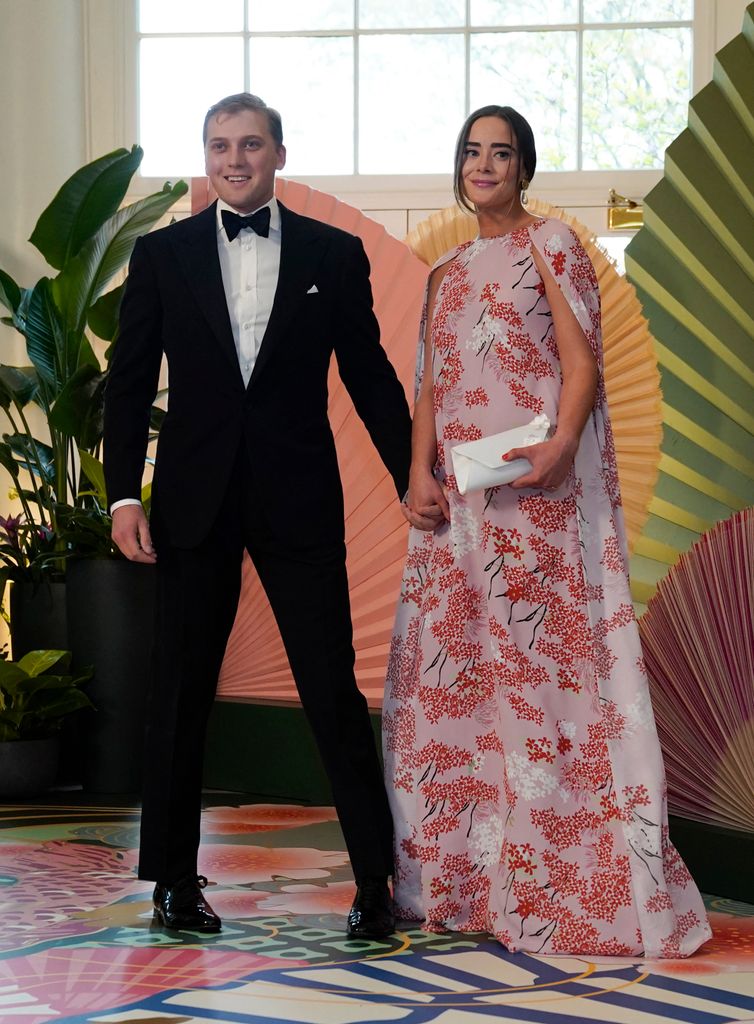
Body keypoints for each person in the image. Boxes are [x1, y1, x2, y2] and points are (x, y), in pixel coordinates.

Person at [383, 105, 712, 957]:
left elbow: (582, 365)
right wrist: (416, 473)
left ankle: (567, 878)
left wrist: (562, 445)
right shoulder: (444, 274)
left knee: (541, 672)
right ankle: (466, 876)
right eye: (471, 151)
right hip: (457, 509)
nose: (484, 165)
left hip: (533, 499)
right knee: (458, 675)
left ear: (525, 169)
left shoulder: (552, 245)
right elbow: (431, 387)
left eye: (502, 153)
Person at [104, 92, 411, 938]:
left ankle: (374, 883)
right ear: (206, 158)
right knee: (180, 694)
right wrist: (124, 493)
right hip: (192, 503)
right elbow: (128, 387)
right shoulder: (160, 256)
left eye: (249, 144)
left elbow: (372, 378)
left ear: (279, 153)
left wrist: (410, 477)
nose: (233, 159)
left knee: (333, 692)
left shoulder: (335, 253)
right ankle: (172, 880)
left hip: (298, 498)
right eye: (218, 146)